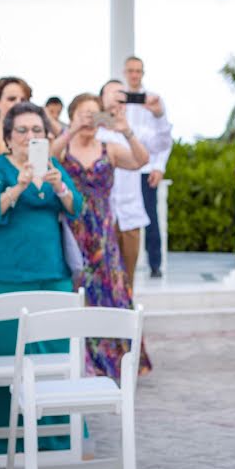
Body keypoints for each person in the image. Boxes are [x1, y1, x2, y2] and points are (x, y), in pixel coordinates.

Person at [0, 102, 83, 454]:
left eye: (38, 130)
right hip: (0, 277)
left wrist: (60, 187)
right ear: (7, 137)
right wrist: (17, 187)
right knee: (6, 360)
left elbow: (77, 207)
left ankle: (58, 439)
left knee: (54, 357)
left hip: (51, 275)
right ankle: (7, 442)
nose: (30, 136)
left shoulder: (53, 167)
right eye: (22, 130)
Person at [53, 93, 153, 378]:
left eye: (94, 114)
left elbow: (140, 160)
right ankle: (83, 361)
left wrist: (125, 130)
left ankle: (118, 361)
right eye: (82, 114)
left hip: (103, 232)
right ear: (71, 117)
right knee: (77, 292)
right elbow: (43, 158)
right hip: (71, 230)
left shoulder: (109, 148)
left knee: (112, 293)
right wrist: (71, 130)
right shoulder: (63, 148)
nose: (88, 120)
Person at [96, 79, 172, 289]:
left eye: (122, 95)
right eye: (112, 94)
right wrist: (104, 116)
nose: (117, 100)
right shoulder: (92, 128)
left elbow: (162, 143)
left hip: (129, 215)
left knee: (126, 282)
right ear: (101, 98)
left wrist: (158, 115)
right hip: (100, 218)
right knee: (101, 282)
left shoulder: (135, 129)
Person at [123, 56, 173, 278]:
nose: (135, 75)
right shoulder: (117, 100)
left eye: (138, 71)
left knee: (151, 218)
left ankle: (155, 263)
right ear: (125, 72)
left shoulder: (154, 101)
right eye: (131, 71)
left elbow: (163, 140)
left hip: (146, 170)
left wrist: (159, 167)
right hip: (122, 169)